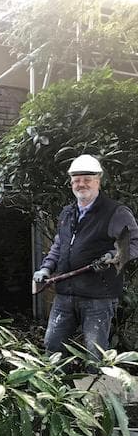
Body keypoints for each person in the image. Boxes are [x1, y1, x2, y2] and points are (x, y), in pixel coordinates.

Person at [33, 154, 138, 360]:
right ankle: (56, 389)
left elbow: (134, 243)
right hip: (65, 294)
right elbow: (59, 245)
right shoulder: (67, 213)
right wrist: (46, 267)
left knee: (95, 352)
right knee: (53, 346)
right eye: (76, 179)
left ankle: (96, 390)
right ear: (71, 182)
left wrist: (115, 256)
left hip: (98, 297)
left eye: (87, 179)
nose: (81, 184)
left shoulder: (115, 212)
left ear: (98, 180)